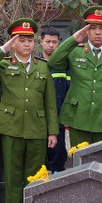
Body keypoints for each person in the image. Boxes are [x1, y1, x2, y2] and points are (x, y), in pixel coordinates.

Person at [0, 19, 58, 203]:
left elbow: (50, 102)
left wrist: (52, 131)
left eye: (30, 40)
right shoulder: (4, 64)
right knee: (13, 175)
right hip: (11, 127)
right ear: (13, 42)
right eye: (21, 40)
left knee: (35, 175)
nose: (27, 44)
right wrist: (3, 49)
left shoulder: (43, 66)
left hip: (37, 128)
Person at [47, 6, 102, 146]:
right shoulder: (75, 52)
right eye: (92, 27)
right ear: (86, 30)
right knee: (79, 161)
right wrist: (73, 39)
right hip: (79, 117)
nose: (97, 32)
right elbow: (53, 62)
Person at [38, 27, 70, 172]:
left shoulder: (64, 67)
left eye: (55, 42)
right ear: (41, 42)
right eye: (48, 41)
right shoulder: (34, 63)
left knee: (58, 157)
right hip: (37, 120)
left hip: (59, 121)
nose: (51, 45)